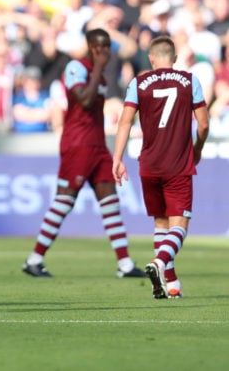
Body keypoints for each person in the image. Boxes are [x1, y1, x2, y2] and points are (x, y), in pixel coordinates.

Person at [22, 28, 146, 279]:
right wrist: (99, 68)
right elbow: (85, 101)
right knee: (64, 202)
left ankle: (125, 265)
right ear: (90, 47)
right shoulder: (76, 68)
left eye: (107, 48)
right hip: (77, 145)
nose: (104, 53)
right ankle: (34, 260)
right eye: (99, 48)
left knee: (111, 203)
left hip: (98, 146)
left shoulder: (100, 77)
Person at [112, 36, 209, 299]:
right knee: (180, 225)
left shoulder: (138, 83)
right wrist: (197, 148)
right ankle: (159, 263)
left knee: (161, 222)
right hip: (178, 163)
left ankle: (171, 283)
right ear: (175, 59)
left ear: (151, 59)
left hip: (149, 164)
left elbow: (124, 123)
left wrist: (117, 158)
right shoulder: (190, 81)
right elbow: (203, 124)